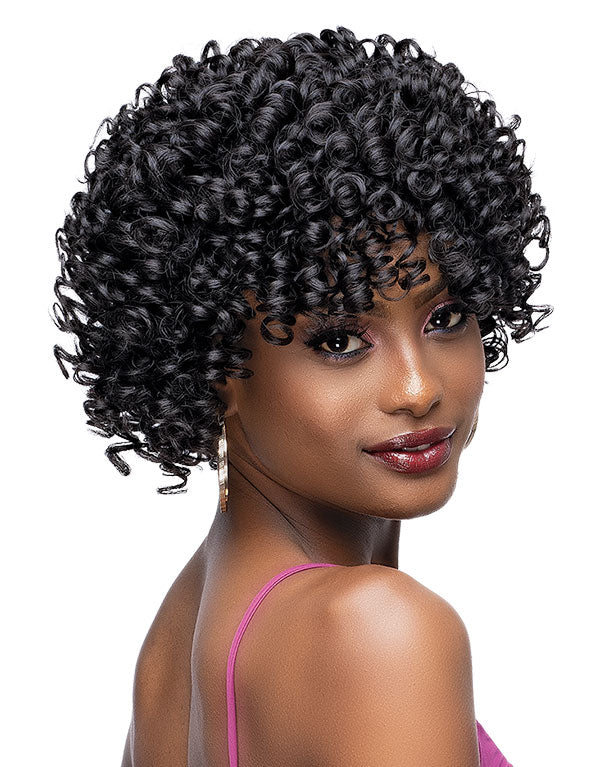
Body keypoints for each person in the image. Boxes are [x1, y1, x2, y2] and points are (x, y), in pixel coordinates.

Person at [52, 26, 552, 766]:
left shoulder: (173, 647)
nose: (419, 388)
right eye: (341, 341)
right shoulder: (379, 631)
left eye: (445, 317)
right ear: (212, 364)